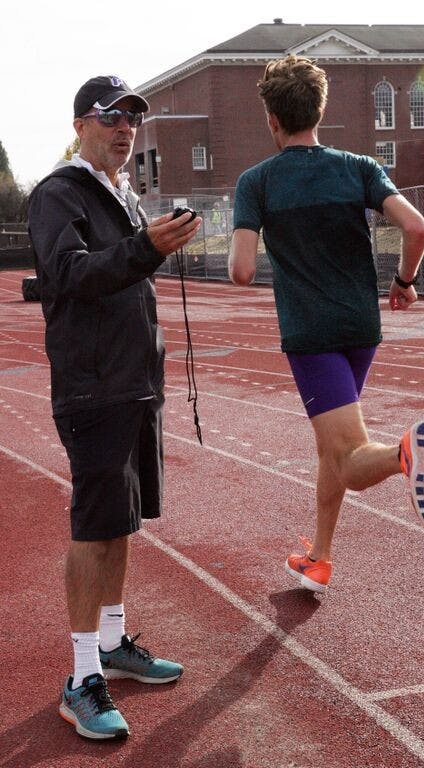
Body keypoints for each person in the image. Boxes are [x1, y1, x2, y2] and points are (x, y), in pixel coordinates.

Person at [229, 56, 424, 595]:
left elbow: (238, 271)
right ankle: (320, 556)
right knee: (333, 445)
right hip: (360, 325)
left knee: (350, 458)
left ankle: (407, 452)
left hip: (311, 334)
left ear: (270, 119)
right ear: (319, 111)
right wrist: (403, 281)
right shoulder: (358, 167)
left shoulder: (256, 182)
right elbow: (417, 227)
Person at [28, 75, 201, 740]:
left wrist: (143, 244)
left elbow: (125, 280)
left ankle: (111, 644)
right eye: (110, 118)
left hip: (132, 385)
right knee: (93, 529)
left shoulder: (120, 196)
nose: (124, 128)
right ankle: (80, 677)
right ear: (80, 125)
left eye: (131, 118)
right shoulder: (58, 194)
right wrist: (144, 248)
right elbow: (70, 274)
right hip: (93, 388)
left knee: (121, 522)